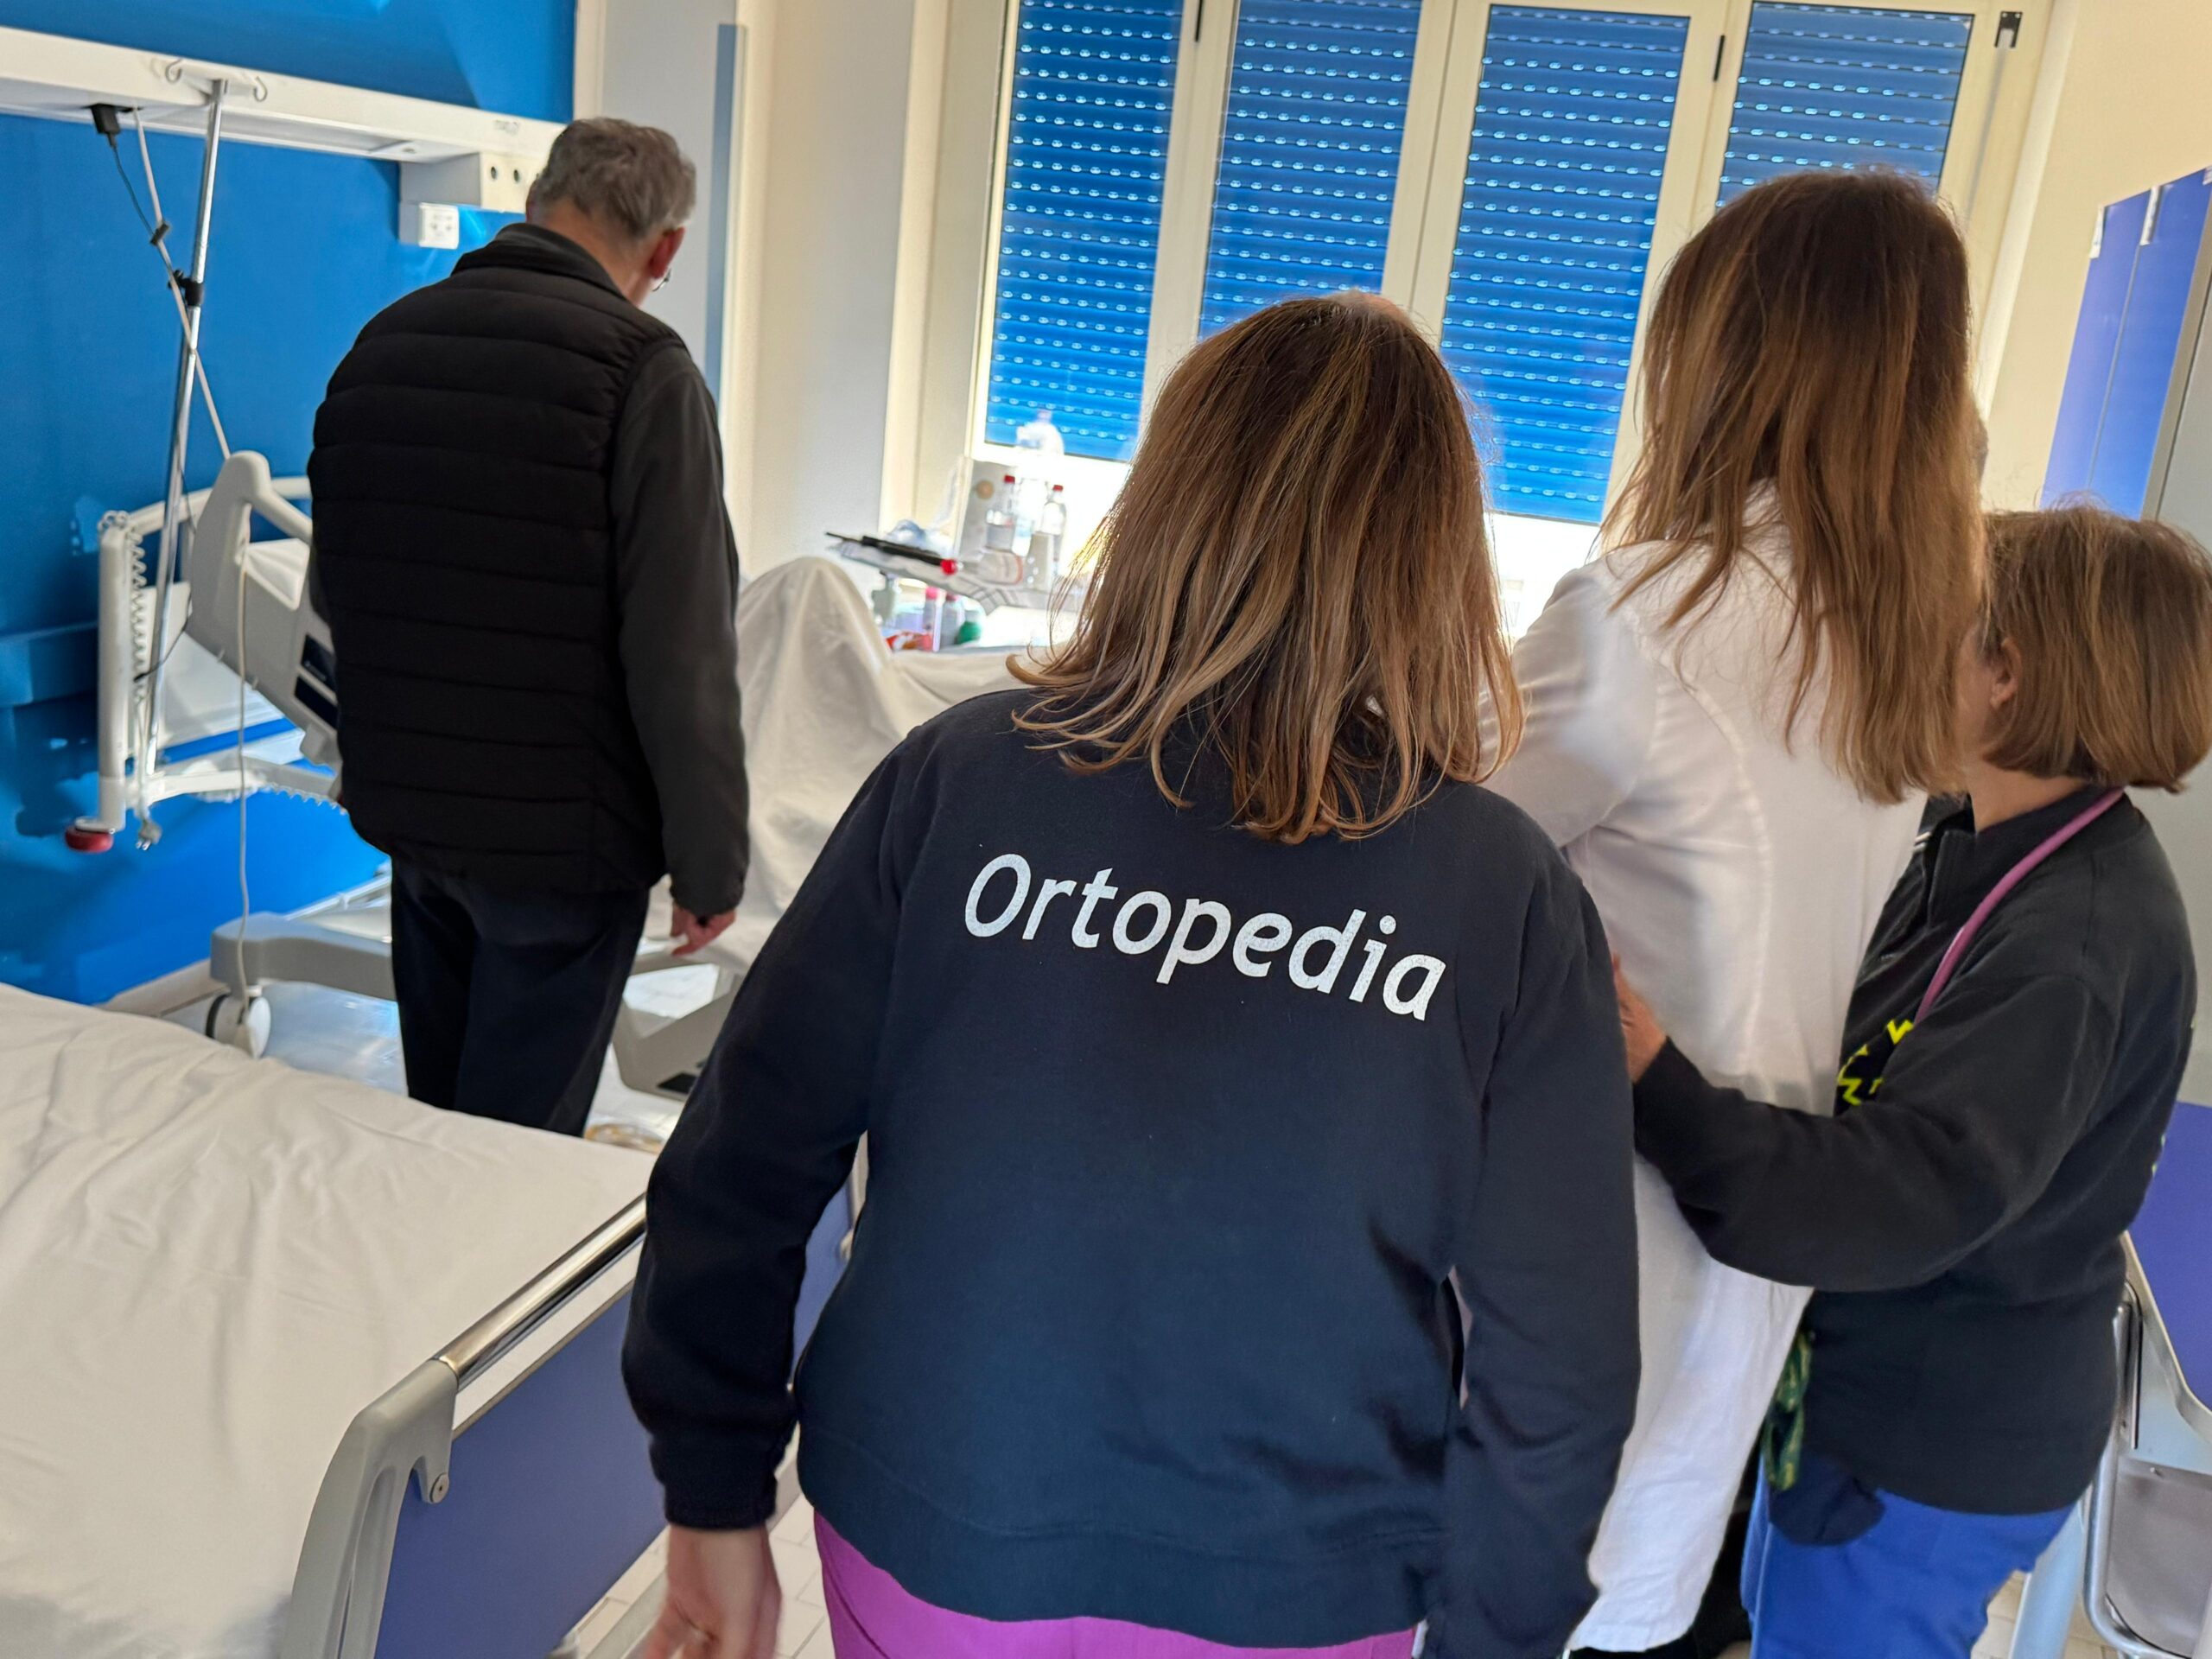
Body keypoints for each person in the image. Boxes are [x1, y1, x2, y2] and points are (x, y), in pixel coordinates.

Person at [622, 294, 1641, 1659]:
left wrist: (712, 1494)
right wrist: (1495, 1636)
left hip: (940, 1517)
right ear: (1439, 562)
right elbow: (1561, 1360)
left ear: (1165, 500)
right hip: (1283, 1583)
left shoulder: (960, 782)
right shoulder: (1503, 889)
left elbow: (741, 1162)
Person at [1481, 169, 1985, 1657]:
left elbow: (1435, 845)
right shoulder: (1895, 639)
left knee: (1517, 1586)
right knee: (1624, 1592)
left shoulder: (1652, 615)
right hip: (1733, 1250)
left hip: (1586, 1231)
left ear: (1730, 361)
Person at [1616, 505, 2212, 1657]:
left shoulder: (2076, 940)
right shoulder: (1972, 841)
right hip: (1869, 1399)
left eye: (1937, 621)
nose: (1903, 647)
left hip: (1932, 1449)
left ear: (2007, 673)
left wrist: (1655, 1081)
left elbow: (1892, 1195)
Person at [308, 118, 748, 1137]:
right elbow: (681, 649)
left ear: (534, 204)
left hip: (416, 817)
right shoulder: (644, 371)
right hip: (562, 846)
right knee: (516, 1151)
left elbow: (341, 588)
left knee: (441, 1115)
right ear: (665, 249)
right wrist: (710, 862)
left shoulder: (385, 343)